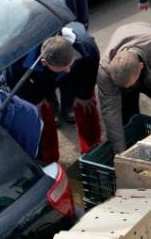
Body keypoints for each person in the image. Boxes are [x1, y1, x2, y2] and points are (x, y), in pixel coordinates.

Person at [7, 24, 101, 163]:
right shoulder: (18, 57)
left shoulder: (86, 45)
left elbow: (91, 67)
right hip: (41, 81)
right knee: (41, 114)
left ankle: (93, 150)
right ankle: (49, 159)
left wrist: (84, 94)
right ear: (44, 62)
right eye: (64, 68)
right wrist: (35, 99)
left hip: (78, 71)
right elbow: (13, 79)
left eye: (69, 64)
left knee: (86, 105)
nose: (67, 70)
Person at [97, 22, 151, 152]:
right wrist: (120, 152)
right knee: (127, 116)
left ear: (140, 67)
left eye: (129, 84)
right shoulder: (104, 71)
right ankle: (134, 147)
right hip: (130, 60)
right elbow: (110, 112)